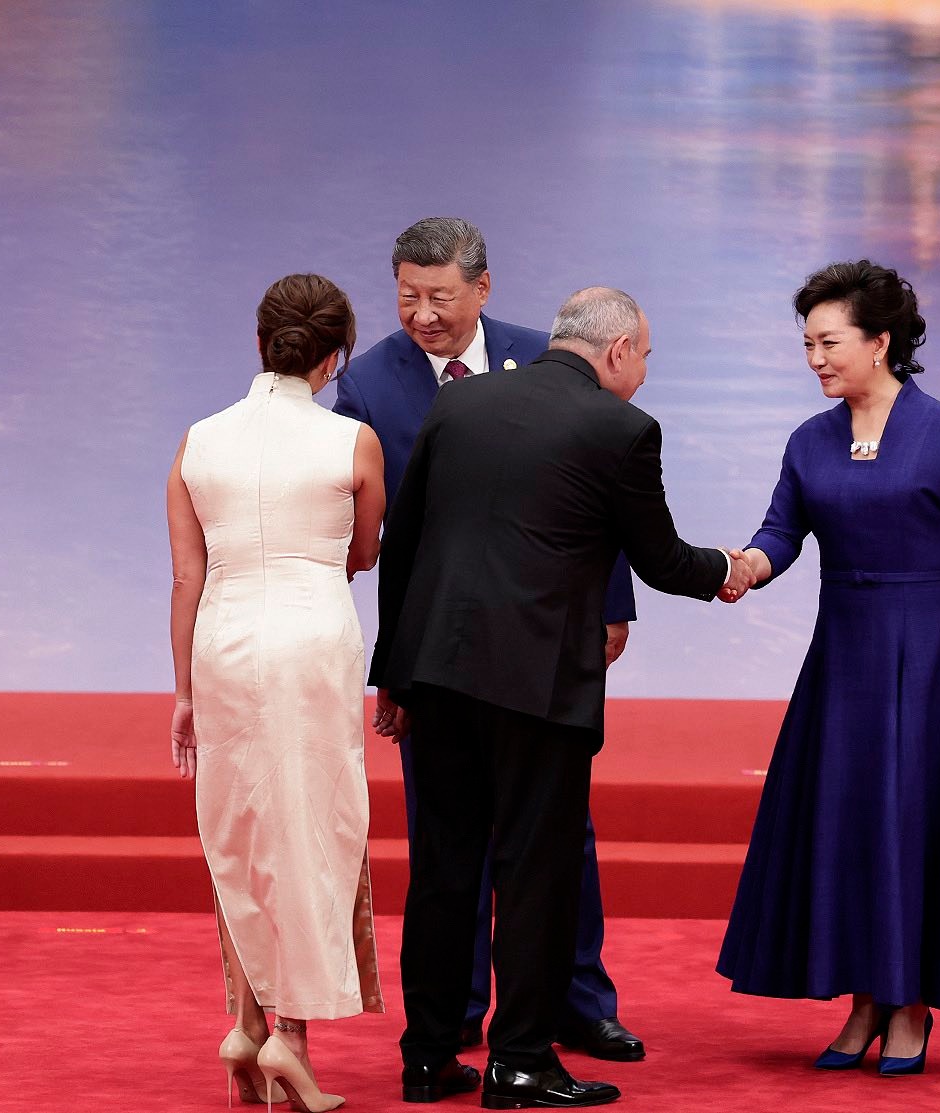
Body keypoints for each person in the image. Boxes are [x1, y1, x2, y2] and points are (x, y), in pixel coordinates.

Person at [372, 286, 755, 1108]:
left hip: (436, 670)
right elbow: (661, 560)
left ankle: (428, 1058)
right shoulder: (621, 428)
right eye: (644, 356)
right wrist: (732, 568)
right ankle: (519, 1060)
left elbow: (403, 541)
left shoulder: (460, 402)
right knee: (535, 871)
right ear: (616, 350)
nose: (644, 373)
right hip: (537, 687)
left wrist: (393, 672)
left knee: (442, 869)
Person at [333, 217, 645, 1064]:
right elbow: (382, 533)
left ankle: (577, 1000)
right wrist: (392, 667)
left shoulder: (546, 355)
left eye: (439, 296)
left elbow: (602, 482)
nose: (422, 315)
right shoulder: (368, 385)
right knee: (448, 843)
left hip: (546, 638)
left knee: (559, 834)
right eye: (407, 296)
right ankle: (457, 1014)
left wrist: (612, 602)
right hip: (440, 650)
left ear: (483, 287)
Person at [716, 260, 940, 1076]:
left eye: (830, 342)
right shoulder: (809, 438)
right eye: (807, 344)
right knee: (845, 817)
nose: (816, 358)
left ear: (880, 342)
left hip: (929, 646)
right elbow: (782, 533)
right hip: (843, 648)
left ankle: (910, 1001)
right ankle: (863, 998)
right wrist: (745, 566)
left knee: (910, 816)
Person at [167, 274, 387, 1112]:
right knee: (310, 833)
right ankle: (288, 1039)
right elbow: (363, 553)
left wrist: (183, 693)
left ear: (261, 344)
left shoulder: (198, 441)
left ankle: (245, 1025)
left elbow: (186, 579)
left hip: (222, 644)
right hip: (312, 641)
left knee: (241, 832)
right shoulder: (353, 442)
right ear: (333, 358)